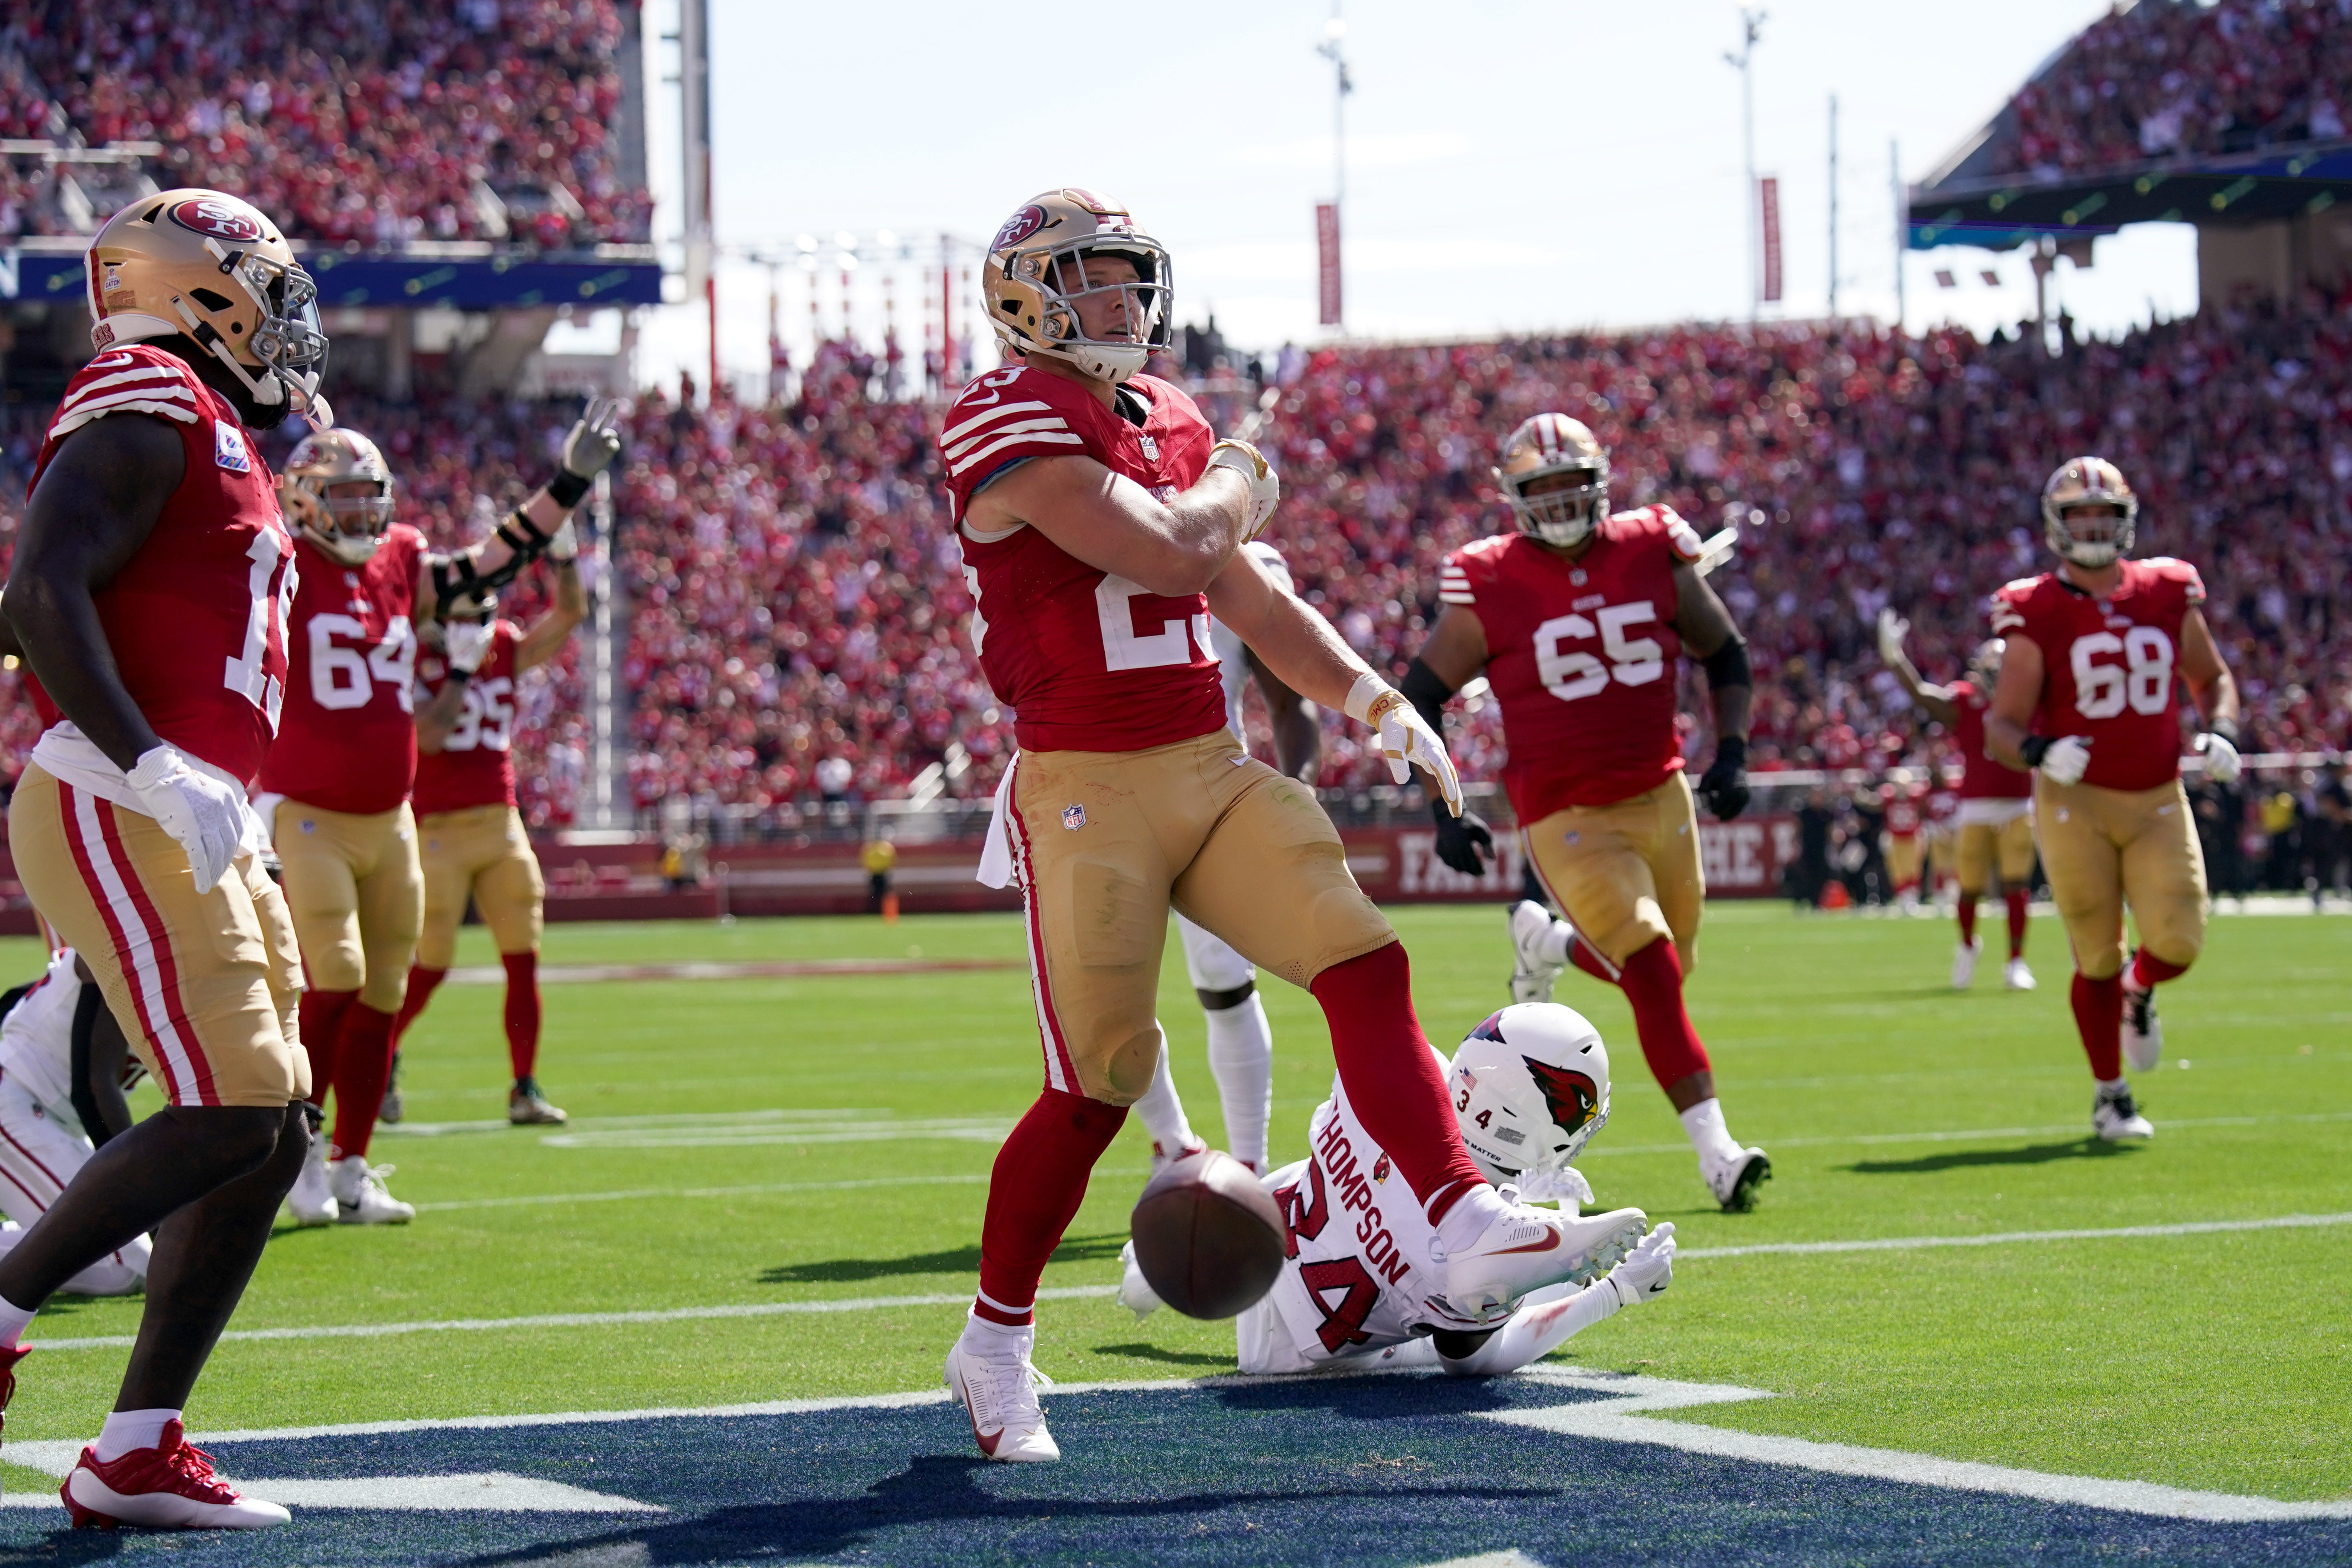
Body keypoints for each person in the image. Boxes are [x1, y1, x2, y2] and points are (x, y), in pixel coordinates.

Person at [939, 188, 1627, 1464]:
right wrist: (1246, 475)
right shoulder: (1005, 416)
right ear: (1024, 294)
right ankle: (992, 1341)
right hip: (1086, 783)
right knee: (1093, 1087)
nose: (1120, 303)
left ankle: (1460, 1211)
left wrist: (1369, 695)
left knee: (1363, 956)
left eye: (1126, 277)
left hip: (1206, 759)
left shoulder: (1169, 416)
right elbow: (1170, 550)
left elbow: (1242, 592)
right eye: (1090, 280)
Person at [0, 187, 329, 1528]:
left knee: (273, 1122)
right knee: (239, 1096)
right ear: (198, 285)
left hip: (191, 801)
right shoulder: (147, 386)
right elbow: (37, 590)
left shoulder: (217, 430)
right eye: (266, 285)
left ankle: (135, 1446)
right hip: (122, 790)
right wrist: (146, 756)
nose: (284, 317)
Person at [1404, 413, 1770, 1212]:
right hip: (1565, 810)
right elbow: (1422, 692)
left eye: (1574, 483)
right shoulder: (1490, 576)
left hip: (1661, 791)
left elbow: (1725, 649)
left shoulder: (1648, 545)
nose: (1563, 500)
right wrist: (1442, 805)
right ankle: (1717, 1154)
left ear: (1600, 482)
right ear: (1516, 498)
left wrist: (1734, 750)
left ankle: (1548, 941)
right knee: (1653, 972)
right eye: (1545, 488)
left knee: (1672, 966)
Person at [261, 407, 618, 1217]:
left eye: (369, 498)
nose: (362, 514)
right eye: (344, 499)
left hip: (392, 818)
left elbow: (491, 562)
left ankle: (353, 1164)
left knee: (386, 989)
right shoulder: (279, 564)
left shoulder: (401, 557)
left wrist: (567, 483)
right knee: (339, 976)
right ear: (306, 501)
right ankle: (300, 1148)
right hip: (308, 808)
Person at [1119, 1003, 1673, 1375]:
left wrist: (1515, 1183)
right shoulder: (1466, 1246)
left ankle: (1154, 1267)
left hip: (1261, 1222)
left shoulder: (1406, 1072)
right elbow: (1475, 1362)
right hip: (1296, 1356)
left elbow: (1399, 1172)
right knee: (1518, 1287)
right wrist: (1612, 1294)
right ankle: (1155, 1269)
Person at [1986, 457, 2240, 1142]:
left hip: (2157, 793)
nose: (2094, 527)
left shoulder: (2164, 589)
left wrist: (2220, 727)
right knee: (2094, 952)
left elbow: (2210, 676)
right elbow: (2000, 728)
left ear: (2124, 520)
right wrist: (2040, 751)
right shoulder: (2035, 606)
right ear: (2057, 525)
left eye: (2104, 516)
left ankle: (2142, 987)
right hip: (2077, 802)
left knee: (2180, 941)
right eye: (2081, 517)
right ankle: (2110, 1096)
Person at [1130, 540, 1319, 1177]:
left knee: (1226, 985)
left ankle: (1248, 1168)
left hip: (1209, 805)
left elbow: (1292, 702)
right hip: (1101, 803)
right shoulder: (1077, 536)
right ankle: (1172, 1140)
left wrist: (1300, 796)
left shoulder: (1242, 564)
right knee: (1109, 1003)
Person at [388, 548, 592, 1127]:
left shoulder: (501, 645)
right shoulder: (415, 655)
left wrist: (565, 556)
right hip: (436, 831)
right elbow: (428, 737)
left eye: (483, 608)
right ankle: (385, 1054)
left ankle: (523, 1086)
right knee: (431, 965)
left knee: (523, 958)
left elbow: (569, 613)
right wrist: (455, 669)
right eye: (464, 610)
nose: (475, 622)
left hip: (500, 823)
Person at [1878, 617, 2039, 989]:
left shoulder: (2029, 700)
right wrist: (1895, 658)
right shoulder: (1966, 702)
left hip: (2018, 803)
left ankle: (2015, 960)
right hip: (1976, 806)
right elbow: (1920, 692)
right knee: (1968, 887)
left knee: (2016, 885)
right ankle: (1967, 946)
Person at [0, 949, 151, 1296]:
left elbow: (15, 999)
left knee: (127, 1252)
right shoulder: (127, 948)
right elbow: (92, 1090)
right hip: (18, 1105)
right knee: (125, 1264)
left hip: (42, 1115)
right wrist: (143, 1187)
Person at [1879, 767, 1928, 916]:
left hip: (1913, 836)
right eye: (1898, 784)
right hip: (1895, 837)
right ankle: (1902, 899)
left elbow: (1923, 810)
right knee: (1897, 869)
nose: (1901, 787)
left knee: (1914, 868)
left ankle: (1912, 898)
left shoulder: (1915, 796)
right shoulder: (1888, 797)